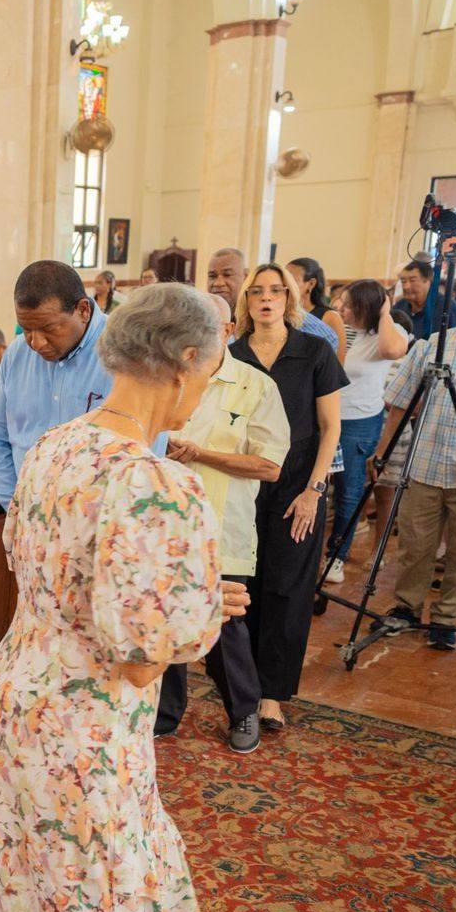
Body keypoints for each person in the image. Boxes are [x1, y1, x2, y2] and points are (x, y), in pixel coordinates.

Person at [0, 283, 239, 912]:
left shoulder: (57, 445)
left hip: (23, 686)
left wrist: (177, 593)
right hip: (86, 722)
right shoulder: (155, 481)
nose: (204, 392)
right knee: (89, 882)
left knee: (22, 874)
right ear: (185, 361)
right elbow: (138, 662)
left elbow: (42, 570)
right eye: (211, 374)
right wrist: (201, 607)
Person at [157, 290, 290, 753]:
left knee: (225, 620)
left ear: (229, 331)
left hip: (221, 523)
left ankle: (244, 711)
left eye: (208, 326)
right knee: (168, 612)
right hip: (165, 522)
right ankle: (165, 713)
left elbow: (270, 465)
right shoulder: (169, 376)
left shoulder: (255, 386)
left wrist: (201, 454)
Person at [231, 263, 346, 731]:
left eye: (276, 290)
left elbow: (330, 427)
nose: (266, 298)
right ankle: (242, 686)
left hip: (299, 483)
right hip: (243, 482)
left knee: (287, 587)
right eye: (257, 291)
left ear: (290, 298)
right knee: (244, 585)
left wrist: (313, 492)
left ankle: (273, 694)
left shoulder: (314, 350)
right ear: (246, 301)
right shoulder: (233, 354)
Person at [377, 275, 456, 651]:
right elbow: (399, 401)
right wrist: (383, 451)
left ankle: (446, 618)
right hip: (425, 466)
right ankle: (406, 609)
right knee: (415, 546)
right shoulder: (435, 346)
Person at [0, 260, 114, 509]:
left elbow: (143, 447)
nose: (35, 342)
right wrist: (13, 504)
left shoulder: (124, 351)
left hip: (99, 522)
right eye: (26, 329)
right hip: (27, 516)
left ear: (83, 310)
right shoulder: (16, 354)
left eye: (49, 328)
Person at [322, 279, 409, 582]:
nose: (341, 309)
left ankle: (337, 556)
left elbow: (392, 350)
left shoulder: (387, 334)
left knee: (349, 491)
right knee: (321, 487)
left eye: (349, 304)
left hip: (358, 422)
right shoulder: (341, 330)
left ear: (368, 307)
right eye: (341, 302)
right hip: (326, 416)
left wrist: (386, 312)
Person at [207, 247, 342, 352]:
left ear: (246, 276)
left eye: (227, 275)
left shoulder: (284, 315)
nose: (218, 283)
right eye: (212, 276)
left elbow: (329, 341)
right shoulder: (209, 316)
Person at [287, 256, 347, 359]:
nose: (286, 285)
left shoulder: (330, 317)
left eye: (292, 281)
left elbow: (338, 363)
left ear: (311, 283)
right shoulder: (281, 312)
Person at [394, 257, 456, 342]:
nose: (406, 286)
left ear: (428, 281)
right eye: (403, 281)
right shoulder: (399, 307)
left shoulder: (446, 306)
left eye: (412, 280)